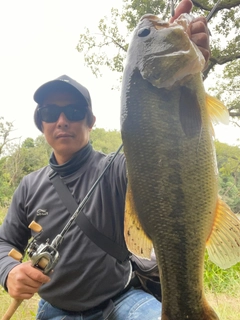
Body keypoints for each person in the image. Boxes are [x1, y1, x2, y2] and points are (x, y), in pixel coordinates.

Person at [0, 1, 211, 319]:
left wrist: (189, 67)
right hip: (54, 310)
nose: (61, 121)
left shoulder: (115, 169)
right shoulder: (29, 187)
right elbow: (3, 242)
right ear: (40, 123)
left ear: (91, 120)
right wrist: (9, 272)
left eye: (73, 112)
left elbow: (166, 157)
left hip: (122, 303)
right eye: (49, 113)